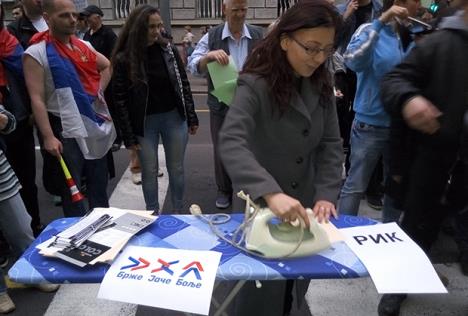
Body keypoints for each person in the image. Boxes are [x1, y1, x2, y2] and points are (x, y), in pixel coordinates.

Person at [219, 1, 343, 315]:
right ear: (285, 40)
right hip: (260, 205)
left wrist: (327, 194)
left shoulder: (323, 86)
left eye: (327, 50)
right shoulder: (254, 84)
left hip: (305, 206)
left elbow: (330, 145)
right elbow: (232, 140)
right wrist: (271, 193)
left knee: (294, 289)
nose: (319, 59)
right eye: (311, 48)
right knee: (254, 294)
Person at [380, 1, 468, 313]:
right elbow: (393, 82)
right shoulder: (442, 43)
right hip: (436, 165)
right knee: (416, 232)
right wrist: (409, 99)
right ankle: (397, 288)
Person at [23, 0, 116, 217]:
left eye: (74, 15)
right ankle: (78, 238)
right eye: (64, 15)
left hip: (91, 122)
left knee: (98, 184)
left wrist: (96, 92)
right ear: (47, 18)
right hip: (63, 126)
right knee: (72, 191)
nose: (73, 20)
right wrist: (47, 137)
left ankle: (103, 231)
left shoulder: (85, 46)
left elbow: (106, 66)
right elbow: (36, 98)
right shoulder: (36, 53)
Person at [338, 0, 421, 223]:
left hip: (401, 126)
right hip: (369, 124)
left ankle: (391, 234)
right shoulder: (370, 30)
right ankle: (346, 232)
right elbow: (352, 61)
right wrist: (379, 23)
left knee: (395, 186)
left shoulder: (414, 33)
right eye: (416, 0)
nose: (421, 4)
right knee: (355, 185)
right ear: (399, 3)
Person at [112, 5, 198, 214]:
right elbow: (120, 99)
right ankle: (152, 214)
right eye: (151, 27)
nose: (157, 31)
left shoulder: (168, 49)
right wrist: (128, 136)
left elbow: (182, 82)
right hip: (144, 124)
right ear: (138, 28)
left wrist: (191, 115)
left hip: (174, 118)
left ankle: (178, 211)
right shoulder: (125, 58)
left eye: (159, 25)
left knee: (176, 169)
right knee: (149, 171)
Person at [188, 0, 263, 209]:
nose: (240, 14)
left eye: (244, 10)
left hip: (252, 105)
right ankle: (224, 190)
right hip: (221, 105)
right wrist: (208, 57)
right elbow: (193, 66)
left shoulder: (258, 35)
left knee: (254, 148)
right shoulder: (212, 36)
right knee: (222, 149)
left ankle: (252, 189)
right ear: (224, 9)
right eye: (235, 10)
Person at [5, 0, 46, 237]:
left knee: (26, 178)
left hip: (19, 118)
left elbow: (27, 78)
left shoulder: (10, 42)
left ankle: (34, 222)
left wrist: (31, 109)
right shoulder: (14, 31)